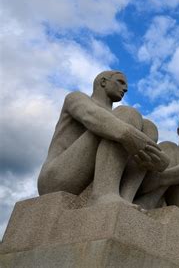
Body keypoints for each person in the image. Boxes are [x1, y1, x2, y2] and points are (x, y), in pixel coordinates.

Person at [37, 70, 169, 207]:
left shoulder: (116, 115)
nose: (126, 88)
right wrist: (145, 145)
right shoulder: (76, 98)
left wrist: (155, 156)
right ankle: (104, 193)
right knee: (127, 114)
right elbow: (92, 116)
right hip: (56, 178)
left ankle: (124, 198)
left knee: (148, 127)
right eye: (121, 82)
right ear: (103, 82)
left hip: (87, 178)